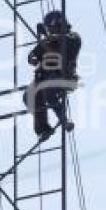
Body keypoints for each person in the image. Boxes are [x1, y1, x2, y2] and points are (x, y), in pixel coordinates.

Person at [23, 11, 82, 140]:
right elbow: (33, 54)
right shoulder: (47, 42)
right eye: (49, 29)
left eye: (52, 28)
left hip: (64, 76)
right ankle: (43, 128)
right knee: (29, 96)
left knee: (47, 90)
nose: (50, 31)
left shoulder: (73, 38)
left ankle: (64, 120)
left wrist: (49, 39)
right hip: (45, 77)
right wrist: (33, 58)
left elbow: (64, 41)